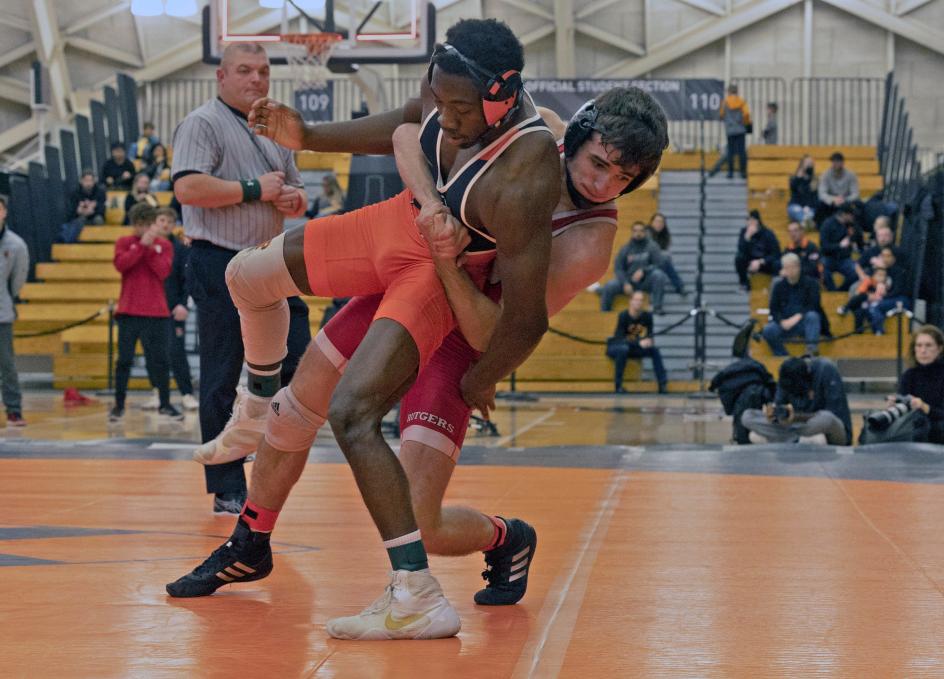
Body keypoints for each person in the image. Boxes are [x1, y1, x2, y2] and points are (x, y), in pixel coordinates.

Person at [175, 85, 668, 632]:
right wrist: (316, 141)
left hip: (464, 327)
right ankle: (251, 539)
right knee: (298, 406)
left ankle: (507, 536)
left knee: (420, 523)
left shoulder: (586, 244)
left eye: (621, 179)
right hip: (418, 271)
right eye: (598, 163)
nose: (601, 184)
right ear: (574, 137)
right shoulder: (540, 130)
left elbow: (502, 329)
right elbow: (413, 125)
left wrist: (483, 371)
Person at [170, 41, 311, 515]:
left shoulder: (274, 129)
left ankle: (260, 447)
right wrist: (254, 190)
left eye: (264, 72)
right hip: (218, 259)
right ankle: (227, 485)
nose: (256, 80)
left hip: (268, 261)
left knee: (299, 360)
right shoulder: (202, 123)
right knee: (222, 373)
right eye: (246, 71)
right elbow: (187, 187)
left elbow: (295, 191)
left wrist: (292, 200)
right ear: (222, 77)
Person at [108, 204, 183, 423]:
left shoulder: (165, 245)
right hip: (129, 311)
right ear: (133, 225)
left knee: (160, 361)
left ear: (153, 224)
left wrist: (149, 249)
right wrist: (141, 246)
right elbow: (121, 265)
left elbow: (163, 271)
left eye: (147, 225)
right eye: (139, 225)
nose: (143, 229)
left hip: (156, 312)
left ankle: (165, 404)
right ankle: (119, 405)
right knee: (124, 361)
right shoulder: (124, 242)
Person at [140, 207, 198, 411]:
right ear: (154, 223)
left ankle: (187, 393)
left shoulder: (181, 249)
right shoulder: (145, 247)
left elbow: (187, 280)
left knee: (176, 352)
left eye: (169, 221)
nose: (165, 224)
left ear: (174, 226)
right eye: (161, 220)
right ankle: (157, 392)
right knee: (151, 352)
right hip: (149, 309)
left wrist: (184, 304)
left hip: (173, 309)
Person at [742, 356, 852, 445]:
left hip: (823, 427)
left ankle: (786, 439)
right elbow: (780, 406)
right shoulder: (786, 375)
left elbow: (835, 415)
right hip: (796, 427)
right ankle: (798, 440)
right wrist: (774, 414)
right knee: (747, 416)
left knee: (826, 418)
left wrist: (796, 417)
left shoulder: (826, 369)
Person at [896, 325, 944, 445]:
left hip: (943, 425)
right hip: (915, 423)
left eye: (928, 345)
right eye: (919, 345)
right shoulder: (909, 375)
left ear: (940, 348)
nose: (923, 350)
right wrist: (896, 405)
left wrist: (925, 408)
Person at [0, 197, 29, 427]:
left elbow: (18, 278)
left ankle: (14, 409)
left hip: (2, 312)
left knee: (7, 363)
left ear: (5, 212)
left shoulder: (16, 244)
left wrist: (8, 297)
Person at [606, 291, 668, 394]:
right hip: (617, 346)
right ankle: (618, 386)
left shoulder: (647, 316)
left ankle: (662, 384)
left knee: (654, 350)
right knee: (623, 349)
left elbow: (650, 335)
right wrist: (639, 343)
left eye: (641, 300)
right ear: (631, 301)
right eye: (636, 300)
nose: (638, 302)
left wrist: (649, 341)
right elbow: (620, 338)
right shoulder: (623, 316)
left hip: (632, 347)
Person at [599, 222, 668, 313]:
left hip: (646, 281)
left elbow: (660, 264)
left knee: (659, 275)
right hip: (629, 282)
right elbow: (618, 268)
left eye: (641, 231)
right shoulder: (625, 248)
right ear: (632, 232)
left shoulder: (652, 246)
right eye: (635, 231)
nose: (638, 233)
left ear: (645, 232)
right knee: (609, 286)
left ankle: (657, 307)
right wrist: (625, 283)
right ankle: (605, 312)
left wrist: (644, 270)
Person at [762, 253, 821, 356]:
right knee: (768, 330)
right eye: (786, 268)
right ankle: (783, 356)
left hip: (803, 322)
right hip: (785, 324)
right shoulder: (778, 286)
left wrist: (797, 317)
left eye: (791, 267)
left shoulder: (811, 284)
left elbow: (814, 305)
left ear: (798, 267)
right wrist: (781, 321)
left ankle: (811, 352)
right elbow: (774, 309)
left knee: (813, 316)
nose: (789, 270)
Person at [865, 247, 911, 334]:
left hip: (900, 299)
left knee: (874, 307)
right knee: (866, 306)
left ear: (894, 258)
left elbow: (898, 290)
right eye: (883, 256)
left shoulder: (899, 271)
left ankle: (880, 332)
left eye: (888, 256)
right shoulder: (878, 271)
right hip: (887, 299)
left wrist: (880, 298)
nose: (885, 259)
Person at [819, 203, 862, 291]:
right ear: (844, 214)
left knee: (856, 272)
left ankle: (841, 291)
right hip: (829, 257)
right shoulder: (828, 224)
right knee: (822, 270)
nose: (853, 217)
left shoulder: (852, 225)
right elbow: (824, 246)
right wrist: (839, 246)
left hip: (844, 258)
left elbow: (858, 239)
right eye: (851, 215)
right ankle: (832, 291)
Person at [734, 209, 780, 291]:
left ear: (757, 221)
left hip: (765, 263)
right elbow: (741, 250)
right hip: (750, 263)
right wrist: (747, 237)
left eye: (751, 220)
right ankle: (744, 283)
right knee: (739, 258)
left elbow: (776, 253)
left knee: (777, 263)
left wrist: (761, 261)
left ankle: (775, 285)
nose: (748, 223)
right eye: (747, 220)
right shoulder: (744, 232)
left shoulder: (768, 233)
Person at [838, 266, 889, 334]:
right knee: (859, 310)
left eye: (883, 275)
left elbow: (882, 296)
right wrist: (868, 293)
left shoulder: (885, 285)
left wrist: (873, 296)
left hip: (875, 305)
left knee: (867, 304)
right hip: (864, 304)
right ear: (873, 275)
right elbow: (859, 293)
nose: (881, 277)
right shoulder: (868, 282)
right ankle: (858, 332)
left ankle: (846, 307)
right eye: (879, 275)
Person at [714, 84, 750, 178]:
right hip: (740, 129)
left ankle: (730, 173)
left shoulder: (725, 102)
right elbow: (746, 114)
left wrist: (727, 120)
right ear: (737, 91)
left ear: (729, 91)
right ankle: (743, 172)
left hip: (730, 130)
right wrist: (744, 122)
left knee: (730, 151)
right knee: (742, 151)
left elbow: (721, 115)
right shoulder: (742, 101)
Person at [647, 212, 686, 295]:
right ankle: (679, 286)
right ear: (651, 222)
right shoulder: (646, 234)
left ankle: (679, 286)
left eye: (661, 222)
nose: (659, 224)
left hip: (656, 264)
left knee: (665, 259)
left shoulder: (664, 236)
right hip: (644, 264)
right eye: (657, 221)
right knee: (665, 259)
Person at [816, 151, 859, 224]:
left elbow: (855, 194)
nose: (835, 164)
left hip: (846, 201)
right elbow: (822, 193)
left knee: (858, 205)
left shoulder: (851, 175)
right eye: (833, 161)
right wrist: (833, 199)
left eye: (838, 161)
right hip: (831, 202)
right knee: (820, 204)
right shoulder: (825, 175)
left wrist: (844, 199)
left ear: (842, 163)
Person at [787, 155, 817, 230]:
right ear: (802, 164)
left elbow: (813, 197)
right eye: (807, 163)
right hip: (796, 205)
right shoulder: (794, 178)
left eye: (811, 163)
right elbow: (793, 192)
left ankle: (803, 222)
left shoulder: (815, 180)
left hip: (809, 207)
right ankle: (805, 222)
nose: (809, 165)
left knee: (811, 213)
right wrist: (799, 177)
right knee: (793, 210)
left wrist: (807, 207)